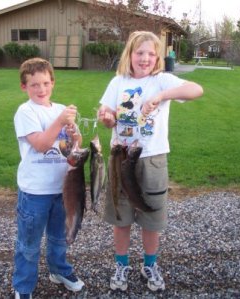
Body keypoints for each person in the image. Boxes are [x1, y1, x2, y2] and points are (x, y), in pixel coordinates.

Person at [97, 31, 203, 292]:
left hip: (153, 158)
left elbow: (196, 89)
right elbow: (107, 114)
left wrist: (161, 96)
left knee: (151, 214)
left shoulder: (162, 80)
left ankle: (150, 264)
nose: (145, 58)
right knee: (120, 214)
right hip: (120, 157)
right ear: (129, 55)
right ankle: (121, 264)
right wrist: (107, 118)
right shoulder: (118, 82)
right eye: (139, 53)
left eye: (151, 54)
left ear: (157, 58)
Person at [13, 57, 85, 299]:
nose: (41, 89)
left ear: (53, 83)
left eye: (45, 83)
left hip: (62, 188)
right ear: (24, 87)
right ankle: (23, 286)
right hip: (35, 191)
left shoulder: (59, 109)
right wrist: (61, 121)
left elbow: (75, 144)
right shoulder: (25, 112)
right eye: (34, 85)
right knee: (29, 244)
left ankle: (59, 270)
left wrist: (74, 134)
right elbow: (42, 145)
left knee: (58, 238)